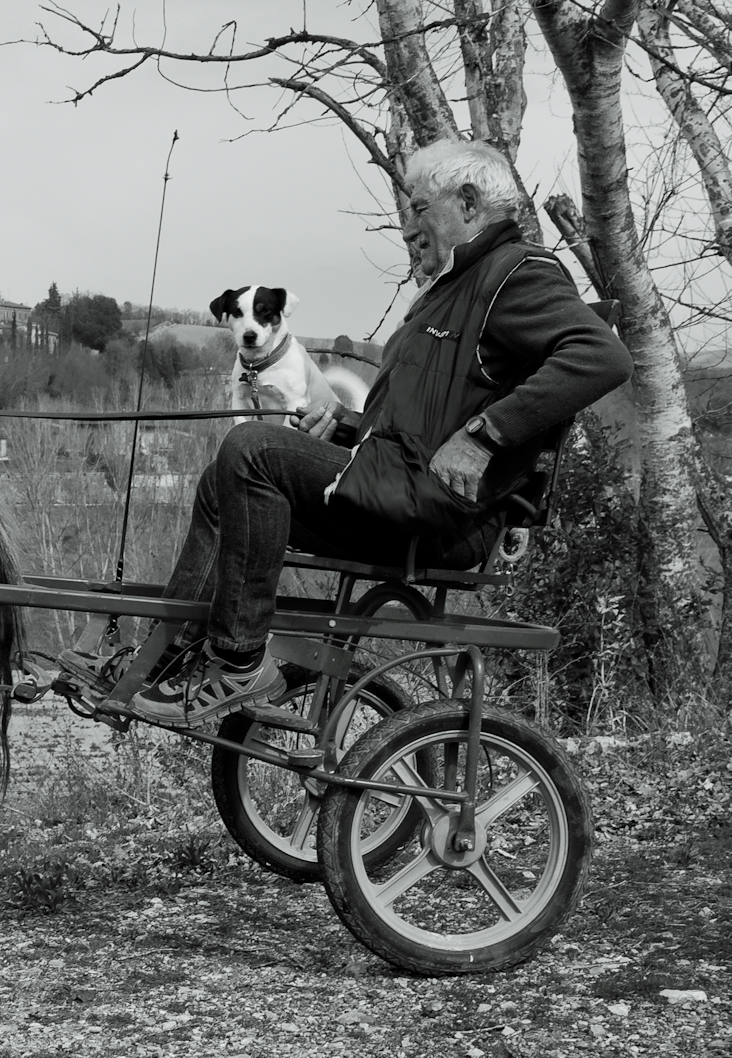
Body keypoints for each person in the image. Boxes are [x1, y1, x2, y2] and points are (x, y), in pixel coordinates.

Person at [78, 139, 633, 728]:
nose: (408, 227)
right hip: (398, 488)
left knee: (250, 448)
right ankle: (177, 656)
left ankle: (239, 662)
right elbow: (411, 426)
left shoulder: (516, 276)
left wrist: (485, 437)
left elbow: (602, 358)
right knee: (225, 477)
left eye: (419, 208)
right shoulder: (446, 292)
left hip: (438, 513)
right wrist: (344, 428)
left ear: (468, 202)